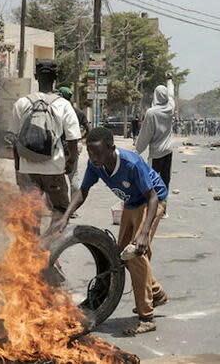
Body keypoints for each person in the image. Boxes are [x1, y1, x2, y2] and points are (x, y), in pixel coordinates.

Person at [57, 128, 169, 335]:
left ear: (112, 148)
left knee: (134, 255)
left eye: (98, 153)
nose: (93, 158)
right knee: (120, 255)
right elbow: (83, 191)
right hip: (130, 203)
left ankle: (147, 317)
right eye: (90, 153)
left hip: (151, 201)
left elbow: (152, 197)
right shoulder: (95, 165)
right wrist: (65, 217)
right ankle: (156, 292)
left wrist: (143, 233)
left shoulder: (131, 163)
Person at [12, 60, 81, 221]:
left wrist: (18, 166)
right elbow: (73, 139)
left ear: (36, 76)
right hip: (54, 168)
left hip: (27, 168)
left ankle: (32, 246)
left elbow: (14, 139)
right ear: (56, 78)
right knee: (60, 212)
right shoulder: (63, 105)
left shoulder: (22, 103)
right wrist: (70, 162)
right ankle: (52, 245)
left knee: (30, 215)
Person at [136, 76, 176, 192]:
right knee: (165, 180)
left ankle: (154, 207)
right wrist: (169, 81)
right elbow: (171, 94)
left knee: (152, 182)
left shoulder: (151, 113)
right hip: (168, 150)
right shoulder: (170, 107)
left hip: (156, 153)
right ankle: (163, 207)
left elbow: (145, 134)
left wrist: (137, 151)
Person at [56, 86, 88, 218]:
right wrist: (82, 138)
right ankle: (72, 210)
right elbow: (88, 128)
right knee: (73, 176)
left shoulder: (57, 111)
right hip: (74, 146)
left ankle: (59, 208)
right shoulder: (79, 112)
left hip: (58, 147)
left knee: (57, 177)